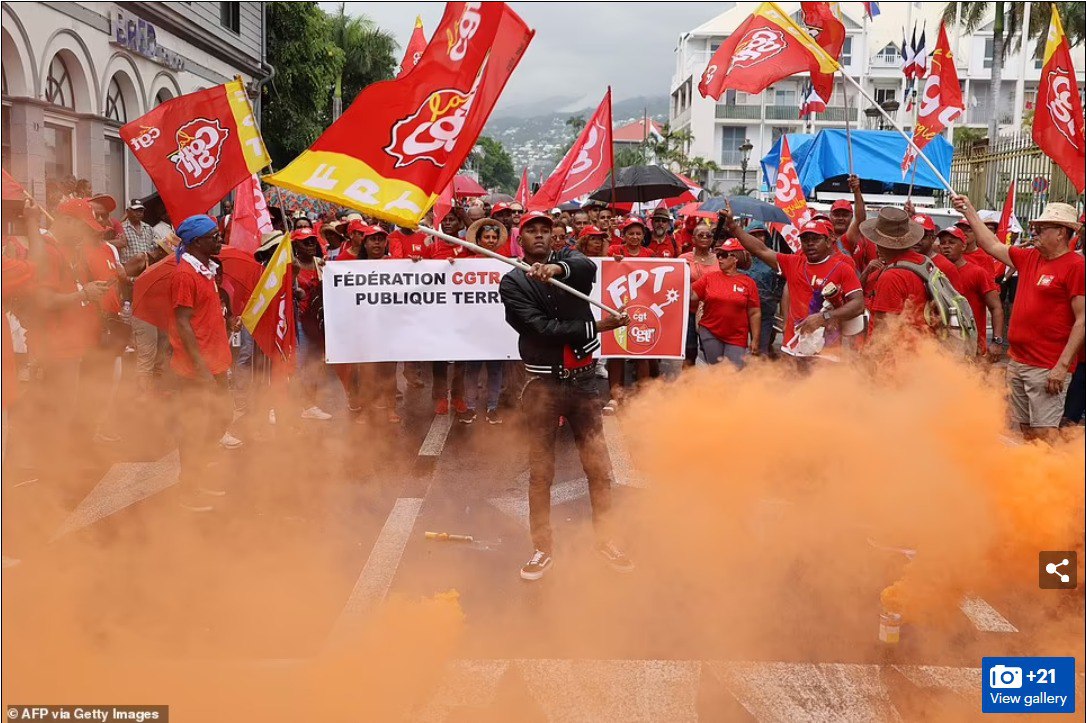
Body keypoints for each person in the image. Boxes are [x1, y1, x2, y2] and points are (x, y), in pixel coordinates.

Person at [498, 210, 633, 580]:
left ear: (555, 236)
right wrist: (596, 326)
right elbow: (541, 328)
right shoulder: (512, 283)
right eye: (532, 232)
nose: (540, 236)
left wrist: (556, 272)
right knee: (541, 472)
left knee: (598, 467)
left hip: (586, 383)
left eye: (546, 230)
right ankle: (542, 549)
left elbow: (585, 266)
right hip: (542, 387)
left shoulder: (571, 263)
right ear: (520, 240)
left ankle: (606, 540)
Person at [954, 197, 1084, 440]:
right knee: (1026, 430)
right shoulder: (1030, 257)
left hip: (1047, 367)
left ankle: (1052, 476)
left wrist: (1062, 366)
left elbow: (1082, 320)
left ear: (1061, 233)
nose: (1035, 232)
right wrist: (969, 210)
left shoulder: (1076, 266)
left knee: (1044, 433)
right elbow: (991, 245)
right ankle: (1032, 476)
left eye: (1042, 229)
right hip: (1019, 361)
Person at [167, 215, 234, 511]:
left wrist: (229, 321)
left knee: (222, 417)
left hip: (216, 362)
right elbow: (182, 323)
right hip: (197, 367)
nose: (219, 240)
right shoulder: (184, 275)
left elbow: (204, 314)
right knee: (194, 427)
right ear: (196, 242)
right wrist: (201, 368)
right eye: (214, 236)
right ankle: (187, 488)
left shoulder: (207, 270)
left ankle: (196, 474)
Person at [729, 212, 863, 348]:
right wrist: (734, 227)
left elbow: (858, 304)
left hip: (827, 350)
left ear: (828, 242)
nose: (810, 243)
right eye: (805, 239)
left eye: (815, 239)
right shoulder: (793, 263)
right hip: (794, 345)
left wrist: (824, 317)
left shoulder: (842, 268)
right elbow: (761, 250)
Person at [460, 218, 510, 424]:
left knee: (495, 368)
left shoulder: (508, 261)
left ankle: (493, 408)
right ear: (478, 240)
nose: (490, 241)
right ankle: (470, 407)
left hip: (496, 325)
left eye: (493, 237)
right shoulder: (467, 261)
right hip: (474, 324)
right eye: (486, 237)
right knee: (472, 367)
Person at [937, 225, 1005, 359]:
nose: (946, 246)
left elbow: (996, 307)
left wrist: (997, 340)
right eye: (943, 243)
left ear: (963, 247)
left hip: (972, 345)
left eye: (951, 242)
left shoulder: (978, 273)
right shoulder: (935, 273)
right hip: (942, 345)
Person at [690, 238, 761, 368]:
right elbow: (691, 296)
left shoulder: (748, 283)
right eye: (718, 255)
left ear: (735, 258)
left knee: (733, 373)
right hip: (710, 331)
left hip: (737, 336)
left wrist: (755, 340)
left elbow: (754, 312)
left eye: (724, 255)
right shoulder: (709, 278)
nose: (719, 259)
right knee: (717, 372)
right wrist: (683, 274)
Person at [861, 208, 932, 334]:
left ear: (879, 243)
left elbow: (882, 333)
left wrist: (869, 353)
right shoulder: (924, 261)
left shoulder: (891, 277)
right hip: (923, 346)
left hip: (900, 351)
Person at [291, 228, 334, 422]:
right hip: (299, 322)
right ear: (295, 246)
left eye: (312, 242)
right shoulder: (291, 266)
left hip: (317, 322)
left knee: (315, 365)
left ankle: (310, 404)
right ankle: (294, 404)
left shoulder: (320, 264)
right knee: (299, 365)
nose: (310, 245)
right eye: (304, 242)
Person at [739, 221, 785, 357]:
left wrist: (774, 297)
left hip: (765, 311)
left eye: (761, 235)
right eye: (753, 235)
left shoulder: (773, 258)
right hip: (740, 311)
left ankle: (760, 376)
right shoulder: (738, 257)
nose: (758, 238)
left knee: (760, 350)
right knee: (737, 351)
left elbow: (783, 280)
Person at [678, 222, 718, 367]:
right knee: (689, 352)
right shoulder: (683, 258)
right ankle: (687, 386)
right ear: (693, 239)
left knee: (711, 352)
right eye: (701, 235)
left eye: (708, 235)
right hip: (689, 311)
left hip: (711, 312)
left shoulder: (719, 259)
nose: (705, 238)